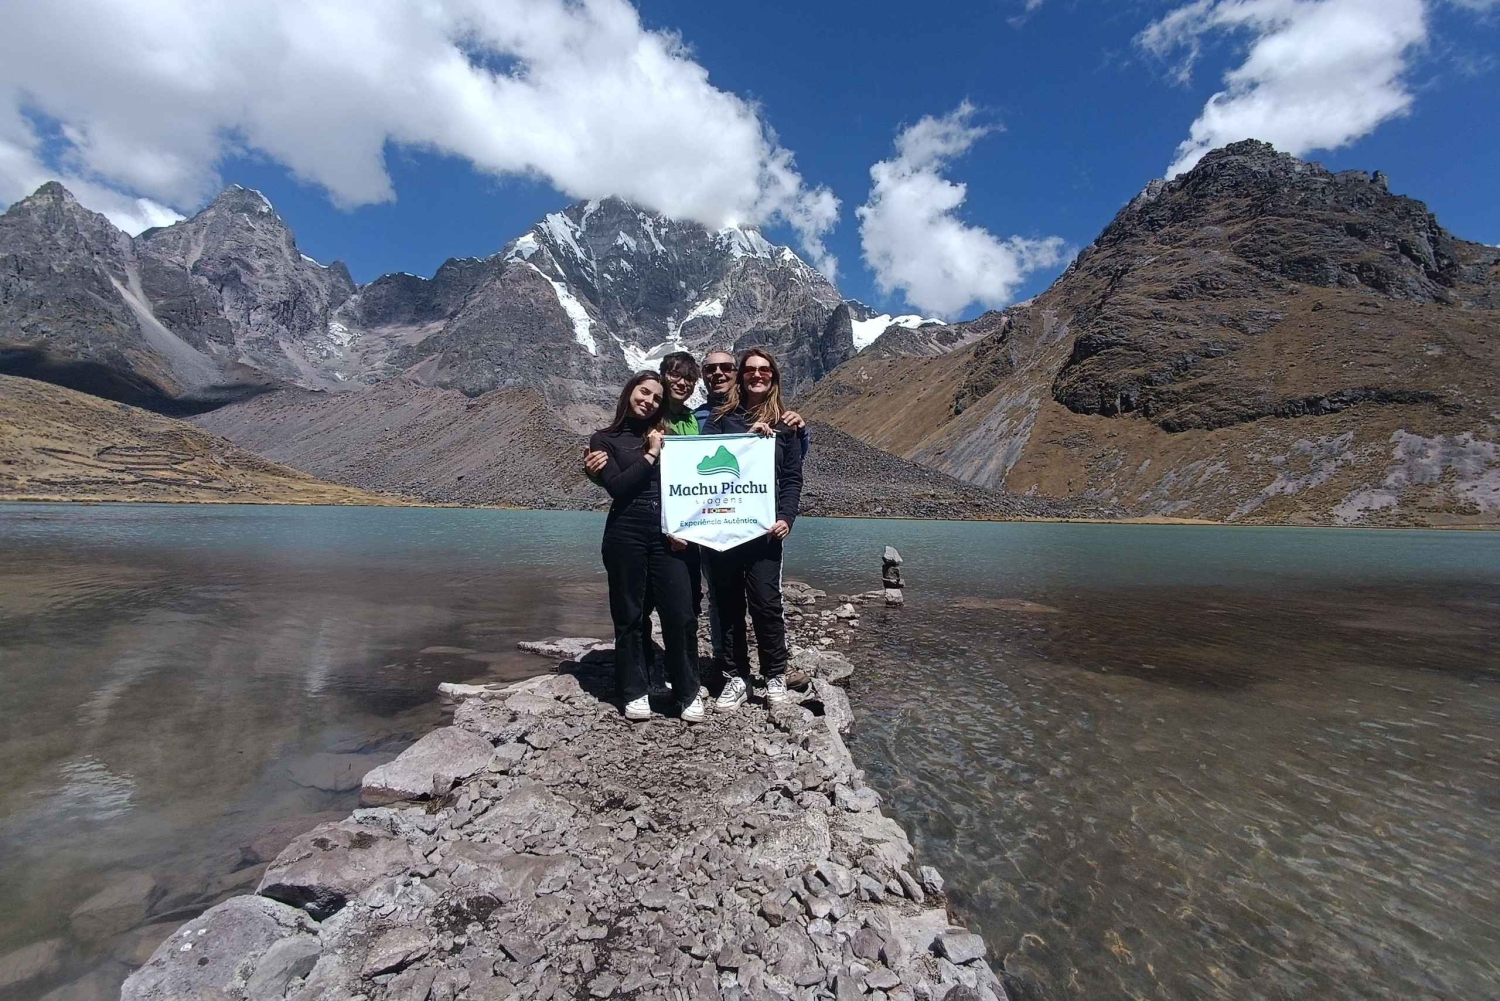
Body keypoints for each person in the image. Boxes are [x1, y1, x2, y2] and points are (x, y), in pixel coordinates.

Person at [587, 371, 705, 722]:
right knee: (630, 617)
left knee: (681, 615)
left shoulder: (671, 436)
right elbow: (619, 488)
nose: (649, 401)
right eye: (643, 392)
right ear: (629, 393)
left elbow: (695, 481)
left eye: (656, 397)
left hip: (670, 535)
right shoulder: (604, 440)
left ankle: (688, 692)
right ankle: (634, 691)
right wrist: (652, 454)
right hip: (625, 534)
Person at [703, 347, 804, 710]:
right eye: (749, 370)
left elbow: (792, 478)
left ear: (773, 376)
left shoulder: (786, 426)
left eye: (764, 370)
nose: (756, 375)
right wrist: (746, 437)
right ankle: (736, 677)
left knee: (766, 603)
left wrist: (787, 518)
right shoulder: (720, 419)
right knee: (728, 605)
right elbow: (703, 468)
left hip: (764, 532)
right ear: (740, 376)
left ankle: (775, 674)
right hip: (724, 529)